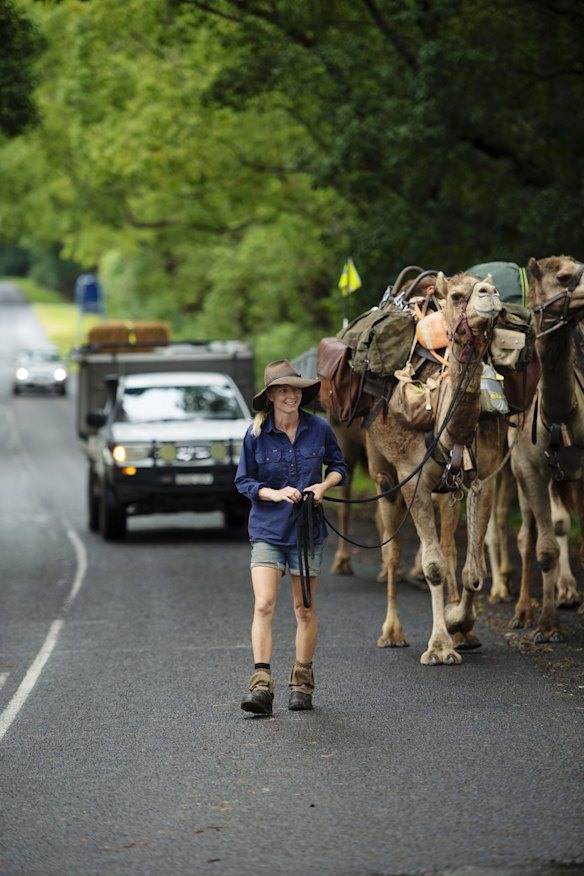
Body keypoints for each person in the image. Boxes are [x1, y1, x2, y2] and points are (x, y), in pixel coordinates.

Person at [235, 359, 347, 716]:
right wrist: (273, 493)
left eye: (295, 389)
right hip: (268, 529)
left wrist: (323, 485)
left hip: (306, 530)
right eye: (283, 390)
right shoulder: (255, 435)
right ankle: (261, 684)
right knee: (264, 604)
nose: (290, 396)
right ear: (270, 396)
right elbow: (243, 481)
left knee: (304, 608)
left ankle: (302, 681)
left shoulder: (320, 429)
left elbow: (339, 467)